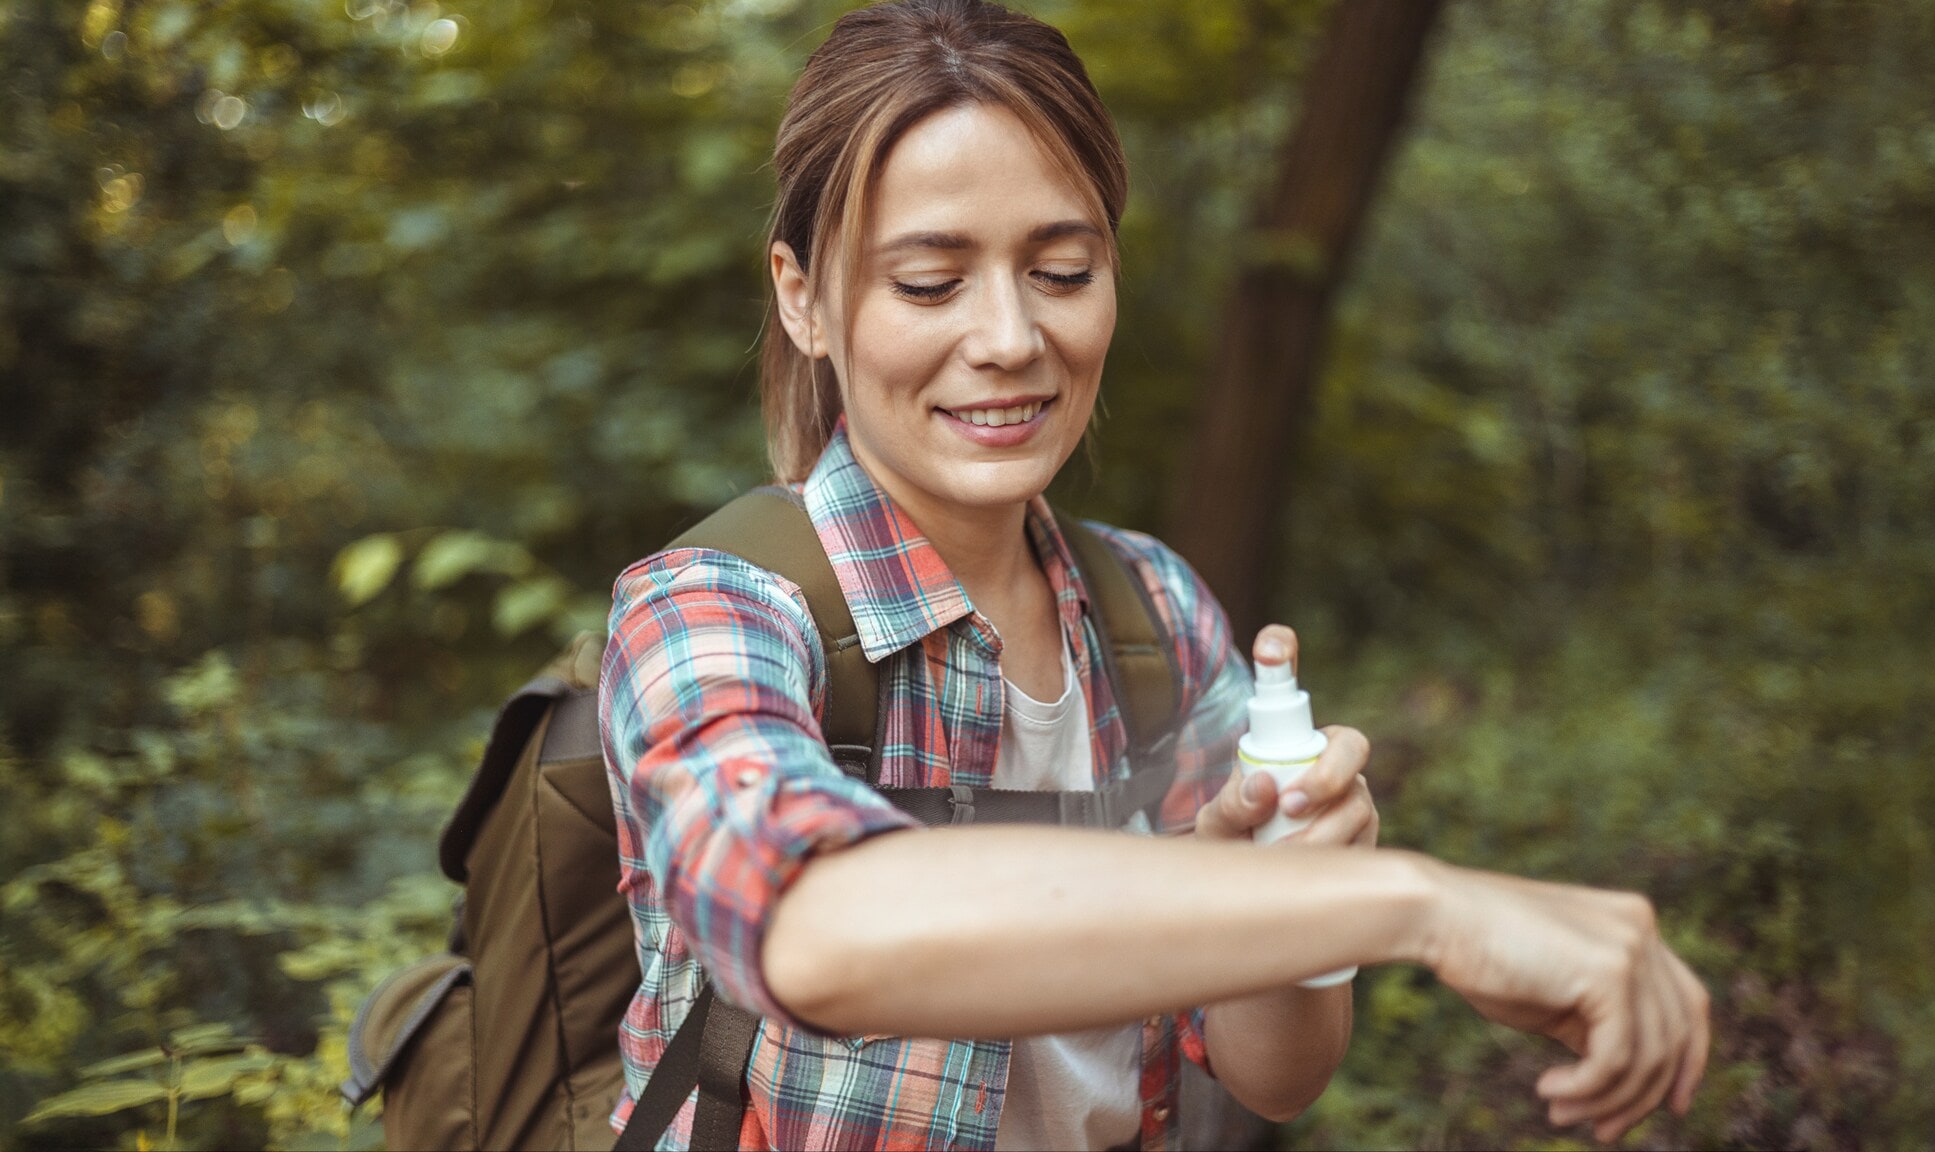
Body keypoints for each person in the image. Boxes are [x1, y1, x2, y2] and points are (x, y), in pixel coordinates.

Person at [597, 2, 1711, 1149]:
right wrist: (1413, 906)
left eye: (1061, 270)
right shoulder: (710, 609)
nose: (1010, 338)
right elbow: (808, 926)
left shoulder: (1156, 613)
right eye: (929, 282)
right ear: (801, 296)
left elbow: (1276, 1077)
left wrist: (1278, 892)